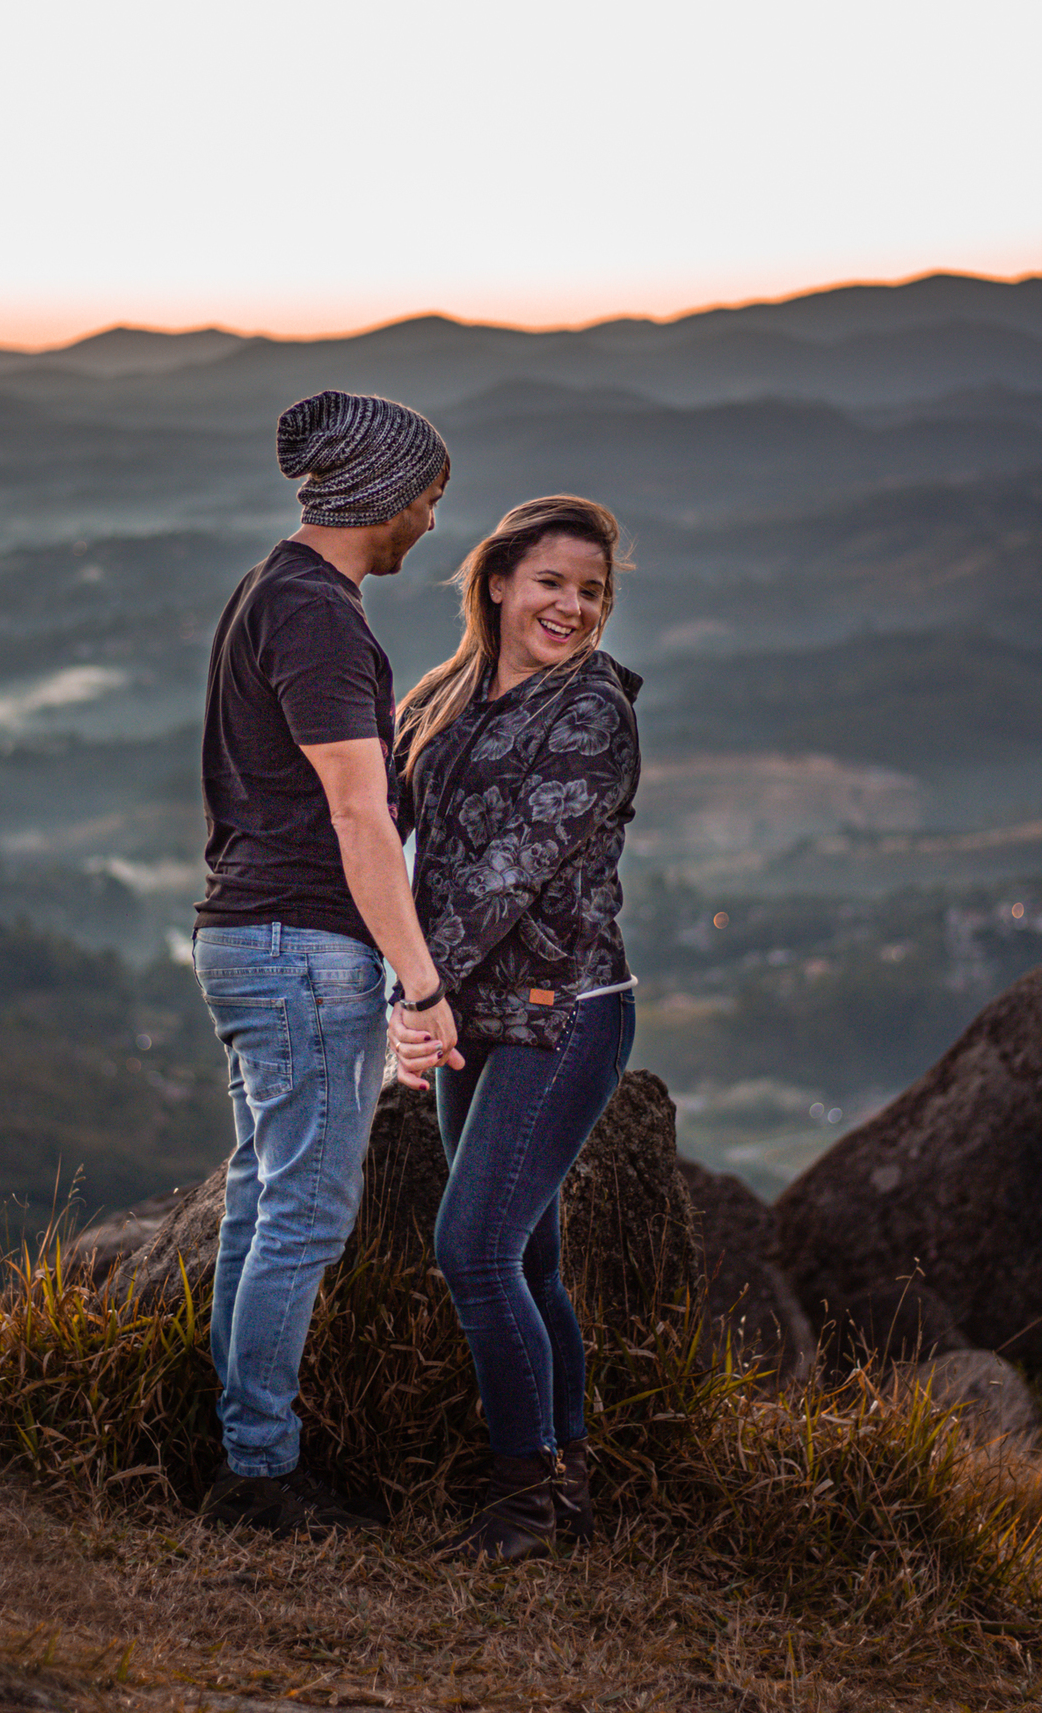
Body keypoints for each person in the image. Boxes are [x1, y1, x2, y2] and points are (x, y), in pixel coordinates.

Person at [194, 388, 463, 1537]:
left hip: (247, 935)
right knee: (303, 1211)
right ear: (382, 492)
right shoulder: (316, 614)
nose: (433, 522)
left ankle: (241, 1450)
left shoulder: (274, 589)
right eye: (429, 497)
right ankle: (258, 1473)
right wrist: (423, 982)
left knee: (264, 1201)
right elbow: (360, 817)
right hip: (303, 946)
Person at [389, 495, 640, 1561]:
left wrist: (414, 996)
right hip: (470, 1013)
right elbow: (388, 831)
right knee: (527, 1263)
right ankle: (566, 1486)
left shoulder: (594, 710)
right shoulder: (441, 695)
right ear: (496, 582)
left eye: (590, 590)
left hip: (562, 1013)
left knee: (474, 1250)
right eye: (551, 583)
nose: (572, 606)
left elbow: (510, 873)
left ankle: (522, 1500)